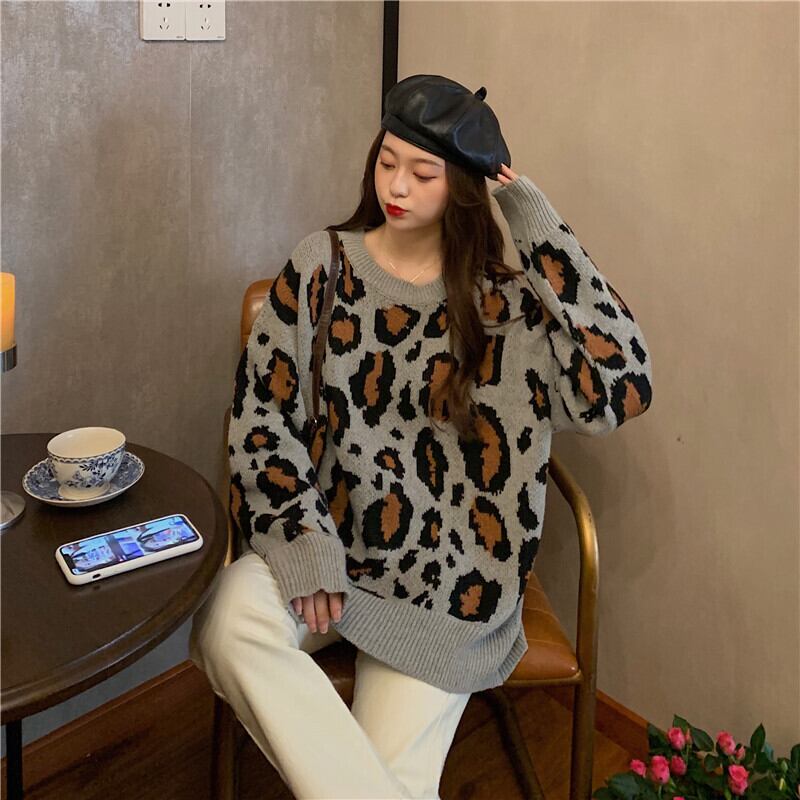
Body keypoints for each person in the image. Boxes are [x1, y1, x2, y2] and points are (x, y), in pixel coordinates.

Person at [190, 74, 653, 799]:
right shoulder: (321, 267)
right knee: (227, 618)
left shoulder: (503, 307)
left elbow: (622, 385)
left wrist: (530, 217)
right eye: (387, 162)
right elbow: (262, 418)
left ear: (462, 187)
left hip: (447, 587)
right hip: (325, 547)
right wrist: (304, 541)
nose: (397, 186)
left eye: (423, 172)